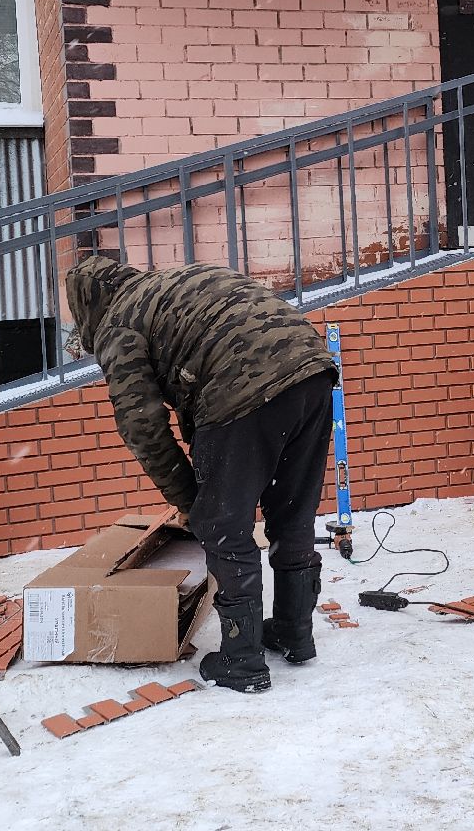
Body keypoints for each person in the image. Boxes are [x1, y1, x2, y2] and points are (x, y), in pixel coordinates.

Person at [64, 256, 338, 694]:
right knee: (291, 513)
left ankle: (242, 660)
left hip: (240, 385)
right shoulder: (174, 283)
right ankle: (293, 631)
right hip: (312, 370)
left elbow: (143, 428)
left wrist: (192, 503)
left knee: (224, 526)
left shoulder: (118, 323)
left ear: (86, 308)